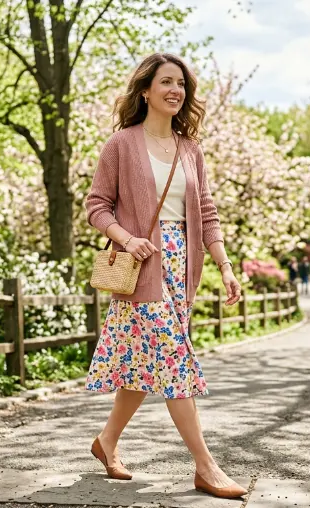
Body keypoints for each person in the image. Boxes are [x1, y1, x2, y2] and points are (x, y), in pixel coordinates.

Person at [84, 53, 247, 500]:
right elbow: (96, 205)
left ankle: (107, 441)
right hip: (142, 269)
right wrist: (125, 237)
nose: (176, 90)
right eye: (166, 82)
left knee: (143, 364)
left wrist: (225, 267)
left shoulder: (190, 150)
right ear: (146, 91)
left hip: (182, 270)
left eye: (181, 84)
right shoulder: (121, 145)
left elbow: (207, 214)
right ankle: (206, 466)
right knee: (174, 361)